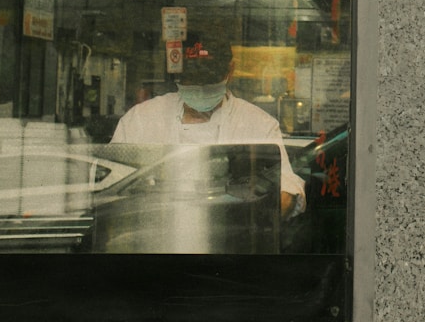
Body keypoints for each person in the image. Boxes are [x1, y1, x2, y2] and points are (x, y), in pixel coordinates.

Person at [110, 35, 305, 218]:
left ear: (230, 71)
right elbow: (109, 184)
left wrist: (260, 208)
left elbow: (286, 189)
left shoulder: (258, 125)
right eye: (192, 80)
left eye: (209, 81)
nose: (201, 88)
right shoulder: (141, 120)